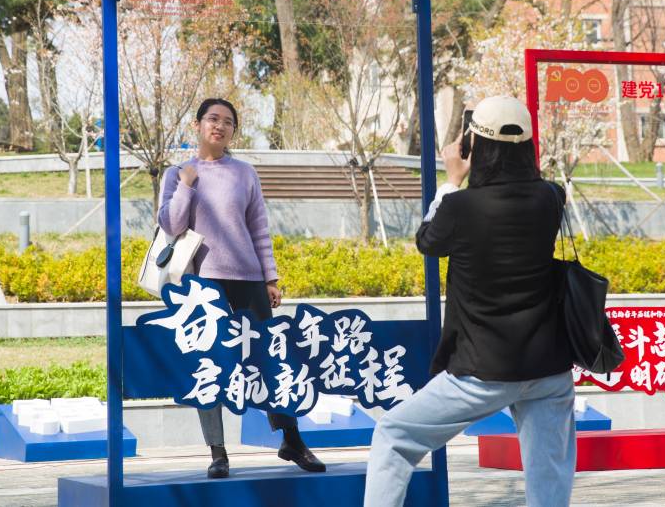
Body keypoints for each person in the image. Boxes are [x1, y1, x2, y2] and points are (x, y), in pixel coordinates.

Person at [363, 95, 576, 507]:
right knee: (549, 482)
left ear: (472, 145)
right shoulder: (551, 197)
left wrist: (451, 180)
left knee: (394, 434)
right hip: (549, 368)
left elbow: (428, 241)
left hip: (483, 370)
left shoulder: (460, 207)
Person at [158, 97, 326, 479]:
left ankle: (292, 440)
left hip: (249, 279)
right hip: (203, 284)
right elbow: (171, 224)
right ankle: (217, 453)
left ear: (233, 131)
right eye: (212, 119)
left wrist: (270, 278)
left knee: (272, 358)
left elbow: (259, 229)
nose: (219, 126)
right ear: (197, 125)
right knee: (209, 364)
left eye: (228, 122)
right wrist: (186, 186)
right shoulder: (178, 173)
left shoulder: (245, 173)